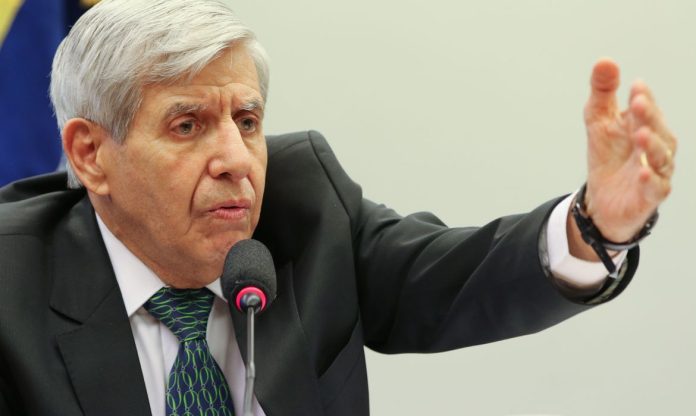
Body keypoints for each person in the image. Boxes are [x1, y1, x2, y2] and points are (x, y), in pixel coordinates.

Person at [0, 0, 677, 415]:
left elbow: (460, 278)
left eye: (247, 120)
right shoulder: (11, 281)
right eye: (187, 126)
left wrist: (597, 224)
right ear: (90, 154)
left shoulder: (304, 209)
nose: (237, 159)